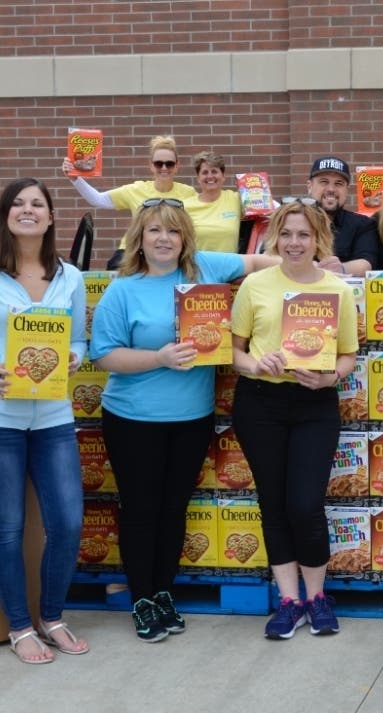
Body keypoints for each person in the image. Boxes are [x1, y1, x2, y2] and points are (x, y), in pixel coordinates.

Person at [90, 198, 279, 643]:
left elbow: (259, 259)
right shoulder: (124, 289)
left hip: (192, 418)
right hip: (134, 418)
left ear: (185, 238)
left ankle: (163, 592)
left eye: (173, 231)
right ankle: (142, 597)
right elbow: (104, 356)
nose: (164, 239)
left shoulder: (205, 270)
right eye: (154, 230)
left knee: (174, 510)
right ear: (139, 237)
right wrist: (159, 357)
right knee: (141, 510)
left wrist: (315, 262)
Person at [230, 201, 358, 640]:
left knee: (305, 503)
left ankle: (317, 596)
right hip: (260, 402)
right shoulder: (255, 285)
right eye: (286, 234)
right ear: (275, 238)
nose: (295, 243)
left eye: (304, 235)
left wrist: (330, 379)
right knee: (274, 503)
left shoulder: (337, 290)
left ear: (318, 239)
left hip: (314, 406)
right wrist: (255, 364)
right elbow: (234, 352)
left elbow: (348, 353)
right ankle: (289, 601)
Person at [0, 179, 88, 664]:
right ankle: (19, 627)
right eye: (18, 204)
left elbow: (78, 340)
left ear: (52, 218)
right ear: (5, 216)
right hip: (2, 420)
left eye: (37, 204)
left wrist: (74, 358)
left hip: (53, 416)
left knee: (69, 523)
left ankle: (52, 617)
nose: (27, 210)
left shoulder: (69, 277)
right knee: (7, 529)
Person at [62, 135, 197, 268]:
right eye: (158, 163)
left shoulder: (189, 193)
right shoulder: (136, 189)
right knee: (115, 269)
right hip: (133, 250)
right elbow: (97, 199)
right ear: (151, 165)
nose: (164, 168)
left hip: (169, 250)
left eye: (169, 164)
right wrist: (75, 179)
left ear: (177, 166)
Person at [305, 156, 379, 276]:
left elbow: (367, 262)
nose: (331, 189)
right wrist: (305, 267)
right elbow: (268, 255)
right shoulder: (292, 220)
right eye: (324, 182)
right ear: (310, 186)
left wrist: (340, 268)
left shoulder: (362, 224)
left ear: (346, 190)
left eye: (338, 183)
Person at [182, 150, 242, 252]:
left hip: (230, 266)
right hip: (198, 266)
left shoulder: (236, 199)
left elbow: (266, 210)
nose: (210, 176)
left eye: (214, 171)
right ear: (198, 178)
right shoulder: (185, 206)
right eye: (205, 172)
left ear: (223, 176)